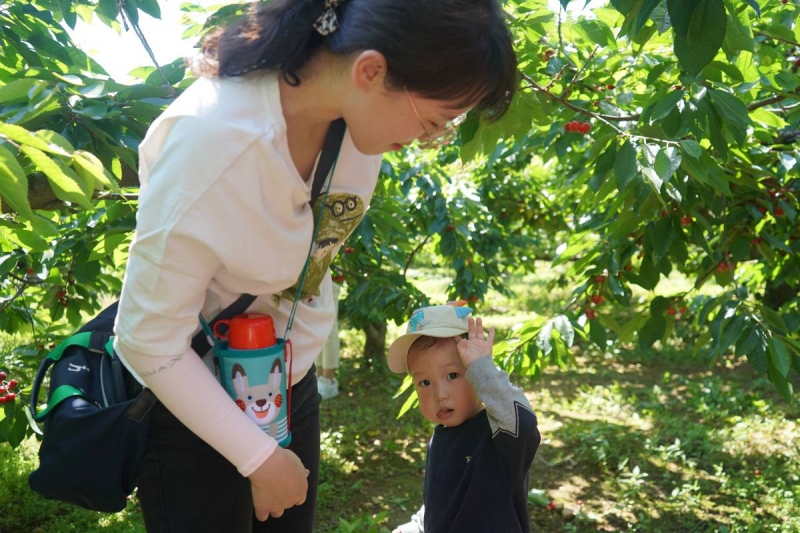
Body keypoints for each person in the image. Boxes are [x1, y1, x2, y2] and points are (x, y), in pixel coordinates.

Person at [111, 0, 518, 531]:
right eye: (434, 121)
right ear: (370, 71)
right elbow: (147, 340)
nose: (429, 139)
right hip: (198, 401)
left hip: (285, 385)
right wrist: (257, 458)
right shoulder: (210, 145)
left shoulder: (354, 131)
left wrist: (279, 430)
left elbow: (309, 266)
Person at [387, 304, 541, 533]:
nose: (440, 394)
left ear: (475, 374)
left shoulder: (498, 435)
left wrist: (484, 369)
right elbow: (442, 501)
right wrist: (418, 526)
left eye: (452, 375)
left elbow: (524, 423)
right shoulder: (441, 436)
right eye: (425, 383)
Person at [316, 281, 341, 400]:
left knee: (329, 324)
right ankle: (319, 375)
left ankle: (328, 381)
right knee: (316, 324)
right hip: (314, 269)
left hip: (330, 271)